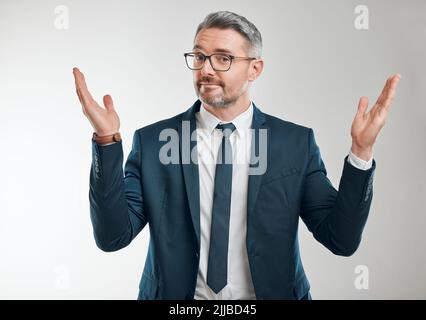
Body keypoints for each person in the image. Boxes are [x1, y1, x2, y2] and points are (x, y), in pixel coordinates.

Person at [73, 11, 400, 300]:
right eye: (199, 57)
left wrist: (361, 152)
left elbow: (340, 239)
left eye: (223, 58)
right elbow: (113, 236)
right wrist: (106, 140)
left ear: (254, 69)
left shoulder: (294, 144)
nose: (206, 70)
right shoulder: (155, 143)